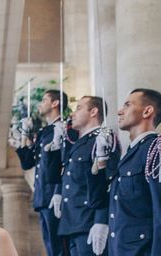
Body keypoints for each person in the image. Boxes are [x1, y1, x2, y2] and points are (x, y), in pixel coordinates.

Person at [108, 88, 161, 256]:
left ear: (147, 111)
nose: (120, 111)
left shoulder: (158, 149)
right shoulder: (131, 153)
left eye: (127, 105)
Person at [52, 96, 119, 256]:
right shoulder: (78, 144)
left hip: (89, 223)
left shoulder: (103, 138)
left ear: (94, 111)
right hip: (71, 223)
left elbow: (108, 183)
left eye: (79, 108)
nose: (73, 114)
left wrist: (101, 220)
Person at [14, 90, 66, 256]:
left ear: (55, 103)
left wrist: (58, 192)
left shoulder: (63, 129)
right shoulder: (45, 132)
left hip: (54, 195)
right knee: (50, 245)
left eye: (44, 100)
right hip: (43, 195)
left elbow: (64, 164)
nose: (40, 104)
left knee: (59, 247)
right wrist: (25, 134)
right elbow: (27, 162)